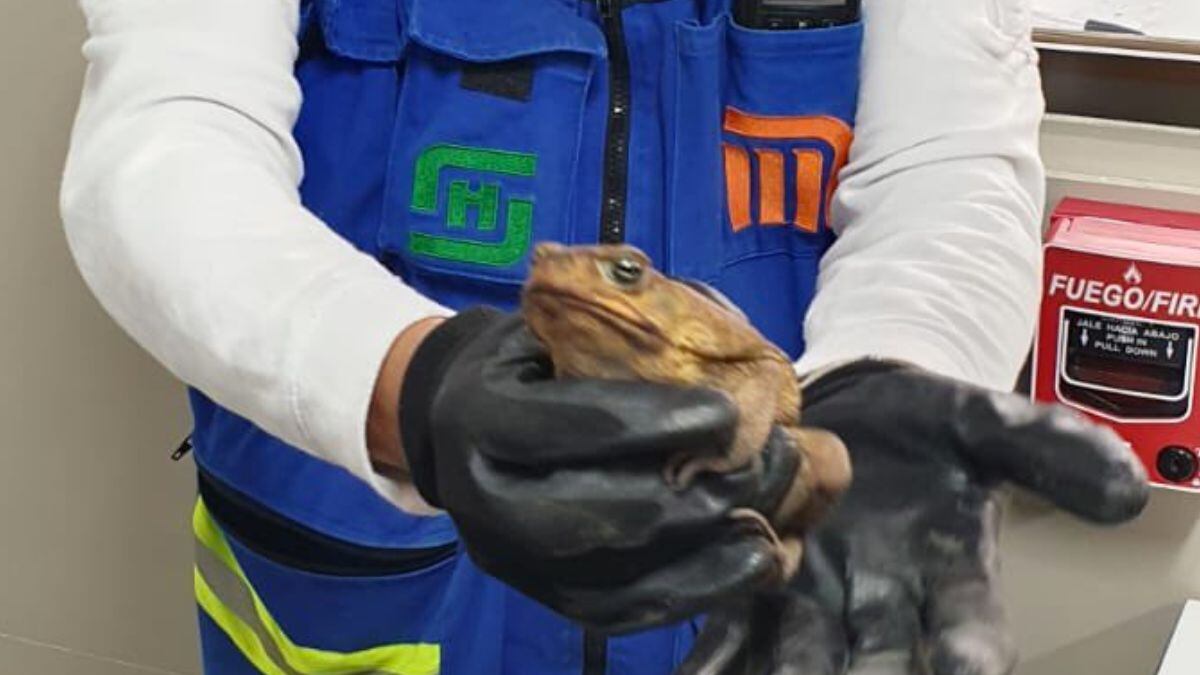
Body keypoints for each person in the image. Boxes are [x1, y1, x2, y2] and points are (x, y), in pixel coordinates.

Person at [61, 0, 1148, 673]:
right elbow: (165, 137)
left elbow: (942, 162)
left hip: (742, 588)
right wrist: (402, 383)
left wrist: (881, 387)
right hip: (360, 585)